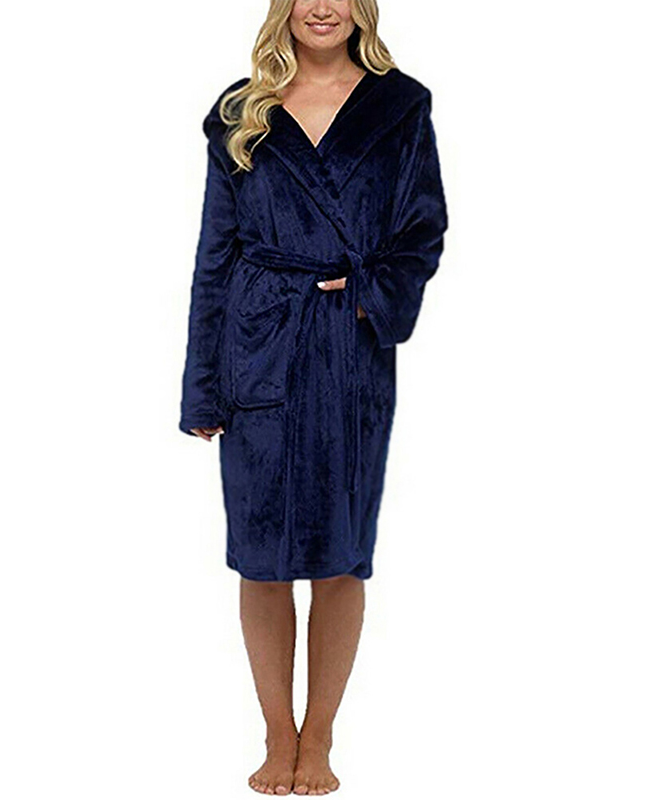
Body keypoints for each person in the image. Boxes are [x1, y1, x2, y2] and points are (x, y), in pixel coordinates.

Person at [179, 0, 448, 793]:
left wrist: (368, 295)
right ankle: (276, 733)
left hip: (348, 353)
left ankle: (320, 735)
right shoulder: (243, 109)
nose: (321, 7)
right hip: (258, 343)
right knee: (260, 556)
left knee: (341, 554)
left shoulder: (400, 106)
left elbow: (423, 230)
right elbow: (214, 254)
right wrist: (203, 385)